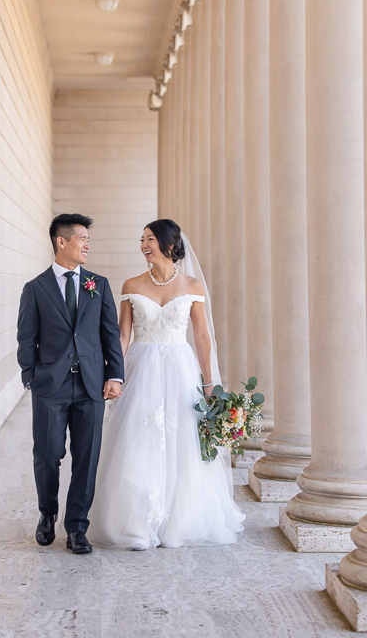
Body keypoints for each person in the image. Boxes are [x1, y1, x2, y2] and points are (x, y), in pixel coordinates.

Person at [89, 219, 245, 550]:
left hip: (180, 368)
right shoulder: (131, 284)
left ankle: (179, 521)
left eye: (150, 239)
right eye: (142, 239)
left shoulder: (192, 286)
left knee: (181, 439)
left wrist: (208, 383)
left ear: (169, 245)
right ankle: (136, 522)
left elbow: (202, 337)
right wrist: (114, 374)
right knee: (138, 436)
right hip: (141, 368)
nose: (144, 244)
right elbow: (122, 335)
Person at [17, 213, 124, 554]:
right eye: (81, 238)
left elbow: (110, 335)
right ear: (61, 242)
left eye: (88, 239)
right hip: (51, 386)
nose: (87, 244)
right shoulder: (35, 289)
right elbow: (26, 338)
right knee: (48, 456)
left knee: (87, 457)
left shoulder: (99, 285)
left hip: (91, 386)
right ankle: (47, 514)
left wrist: (114, 375)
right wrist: (31, 376)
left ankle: (77, 527)